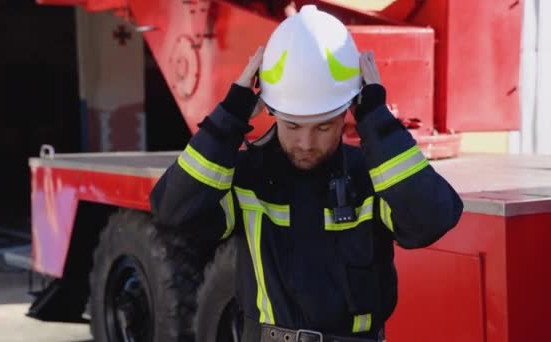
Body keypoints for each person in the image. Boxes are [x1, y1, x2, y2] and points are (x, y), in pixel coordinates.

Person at [151, 5, 463, 342]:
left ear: (348, 112)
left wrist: (378, 123)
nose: (305, 142)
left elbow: (432, 219)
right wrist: (228, 118)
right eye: (293, 125)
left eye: (324, 126)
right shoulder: (249, 176)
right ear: (270, 110)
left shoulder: (371, 175)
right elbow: (174, 212)